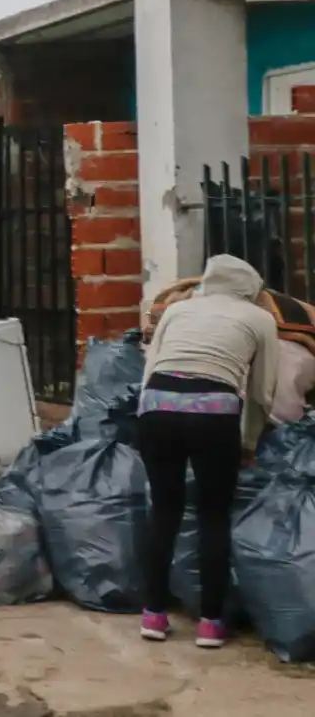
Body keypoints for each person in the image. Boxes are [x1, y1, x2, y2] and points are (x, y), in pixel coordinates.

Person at [137, 254, 279, 649]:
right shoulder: (261, 319)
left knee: (164, 510)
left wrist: (147, 418)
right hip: (213, 414)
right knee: (213, 516)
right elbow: (262, 393)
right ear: (252, 290)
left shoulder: (178, 310)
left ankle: (152, 615)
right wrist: (249, 442)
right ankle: (211, 623)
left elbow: (150, 369)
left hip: (157, 407)